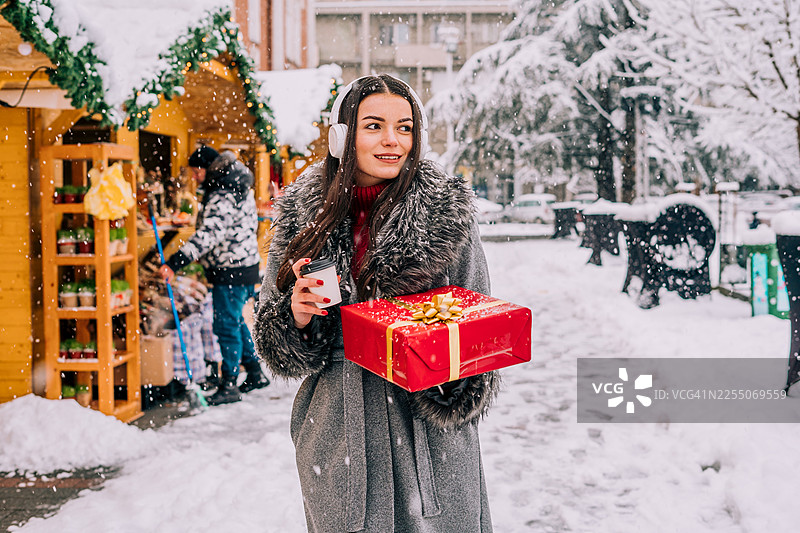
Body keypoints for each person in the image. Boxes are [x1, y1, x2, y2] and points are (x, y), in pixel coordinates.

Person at [254, 74, 497, 532]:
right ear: (342, 135)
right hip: (340, 432)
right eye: (374, 126)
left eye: (405, 128)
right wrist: (297, 317)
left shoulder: (444, 214)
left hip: (429, 430)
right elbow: (272, 327)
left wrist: (434, 352)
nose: (392, 140)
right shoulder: (304, 216)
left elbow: (477, 328)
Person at [159, 146, 269, 406]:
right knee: (235, 321)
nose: (194, 177)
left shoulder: (223, 192)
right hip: (241, 264)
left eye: (196, 171)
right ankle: (254, 372)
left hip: (231, 268)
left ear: (207, 168)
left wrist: (176, 261)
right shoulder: (234, 184)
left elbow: (210, 234)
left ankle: (229, 385)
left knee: (225, 326)